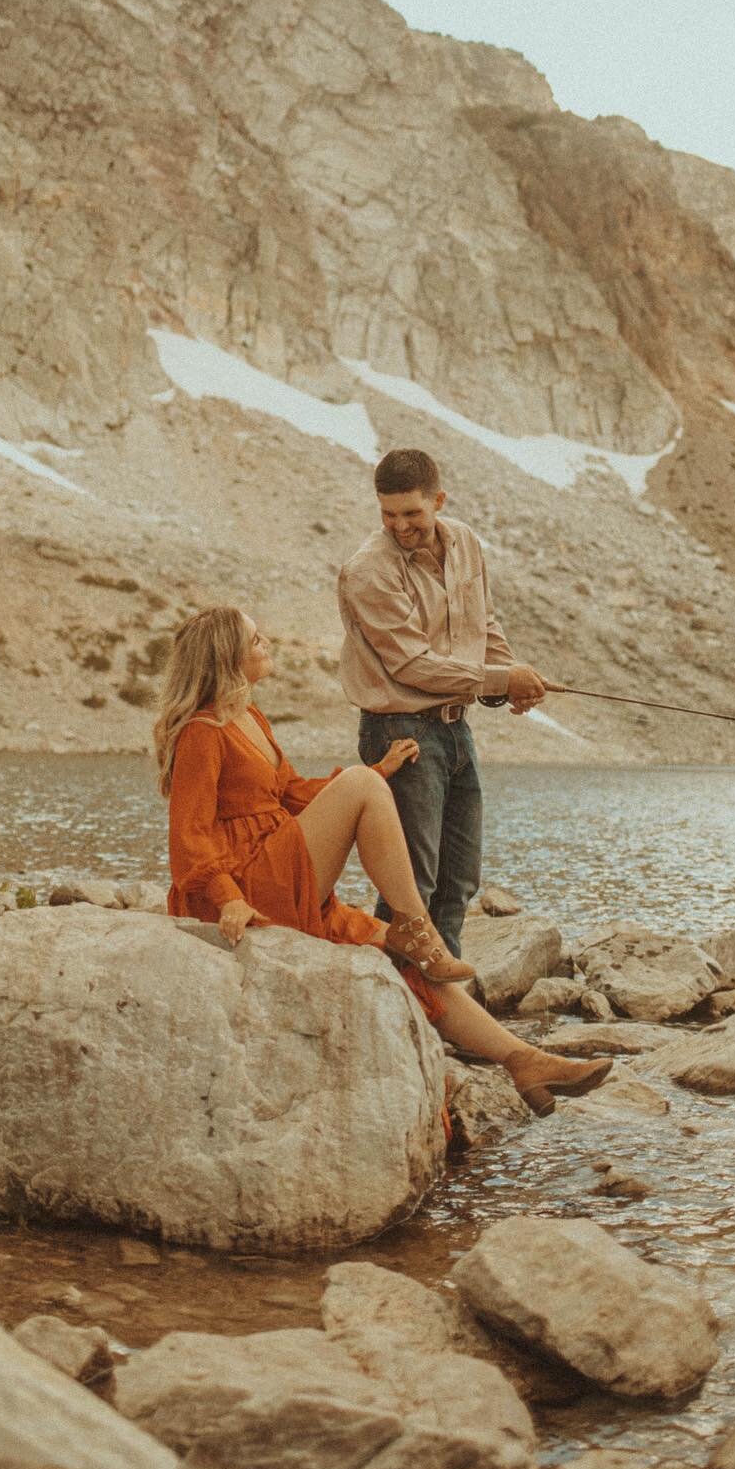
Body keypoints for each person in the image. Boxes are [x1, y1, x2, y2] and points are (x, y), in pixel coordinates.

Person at [156, 605, 610, 1114]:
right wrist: (229, 900)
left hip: (276, 863)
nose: (267, 645)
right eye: (256, 640)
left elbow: (288, 794)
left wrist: (379, 769)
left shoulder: (248, 716)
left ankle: (524, 1060)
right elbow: (188, 833)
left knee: (408, 963)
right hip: (250, 883)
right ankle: (418, 926)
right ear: (227, 656)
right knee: (363, 794)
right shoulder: (202, 731)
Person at [338, 447, 544, 957]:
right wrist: (500, 679)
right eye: (388, 514)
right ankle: (396, 999)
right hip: (398, 733)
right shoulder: (369, 570)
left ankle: (443, 1004)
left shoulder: (467, 543)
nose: (400, 526)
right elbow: (412, 665)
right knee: (410, 886)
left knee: (459, 880)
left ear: (438, 501)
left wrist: (508, 682)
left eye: (412, 513)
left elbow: (484, 623)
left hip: (455, 730)